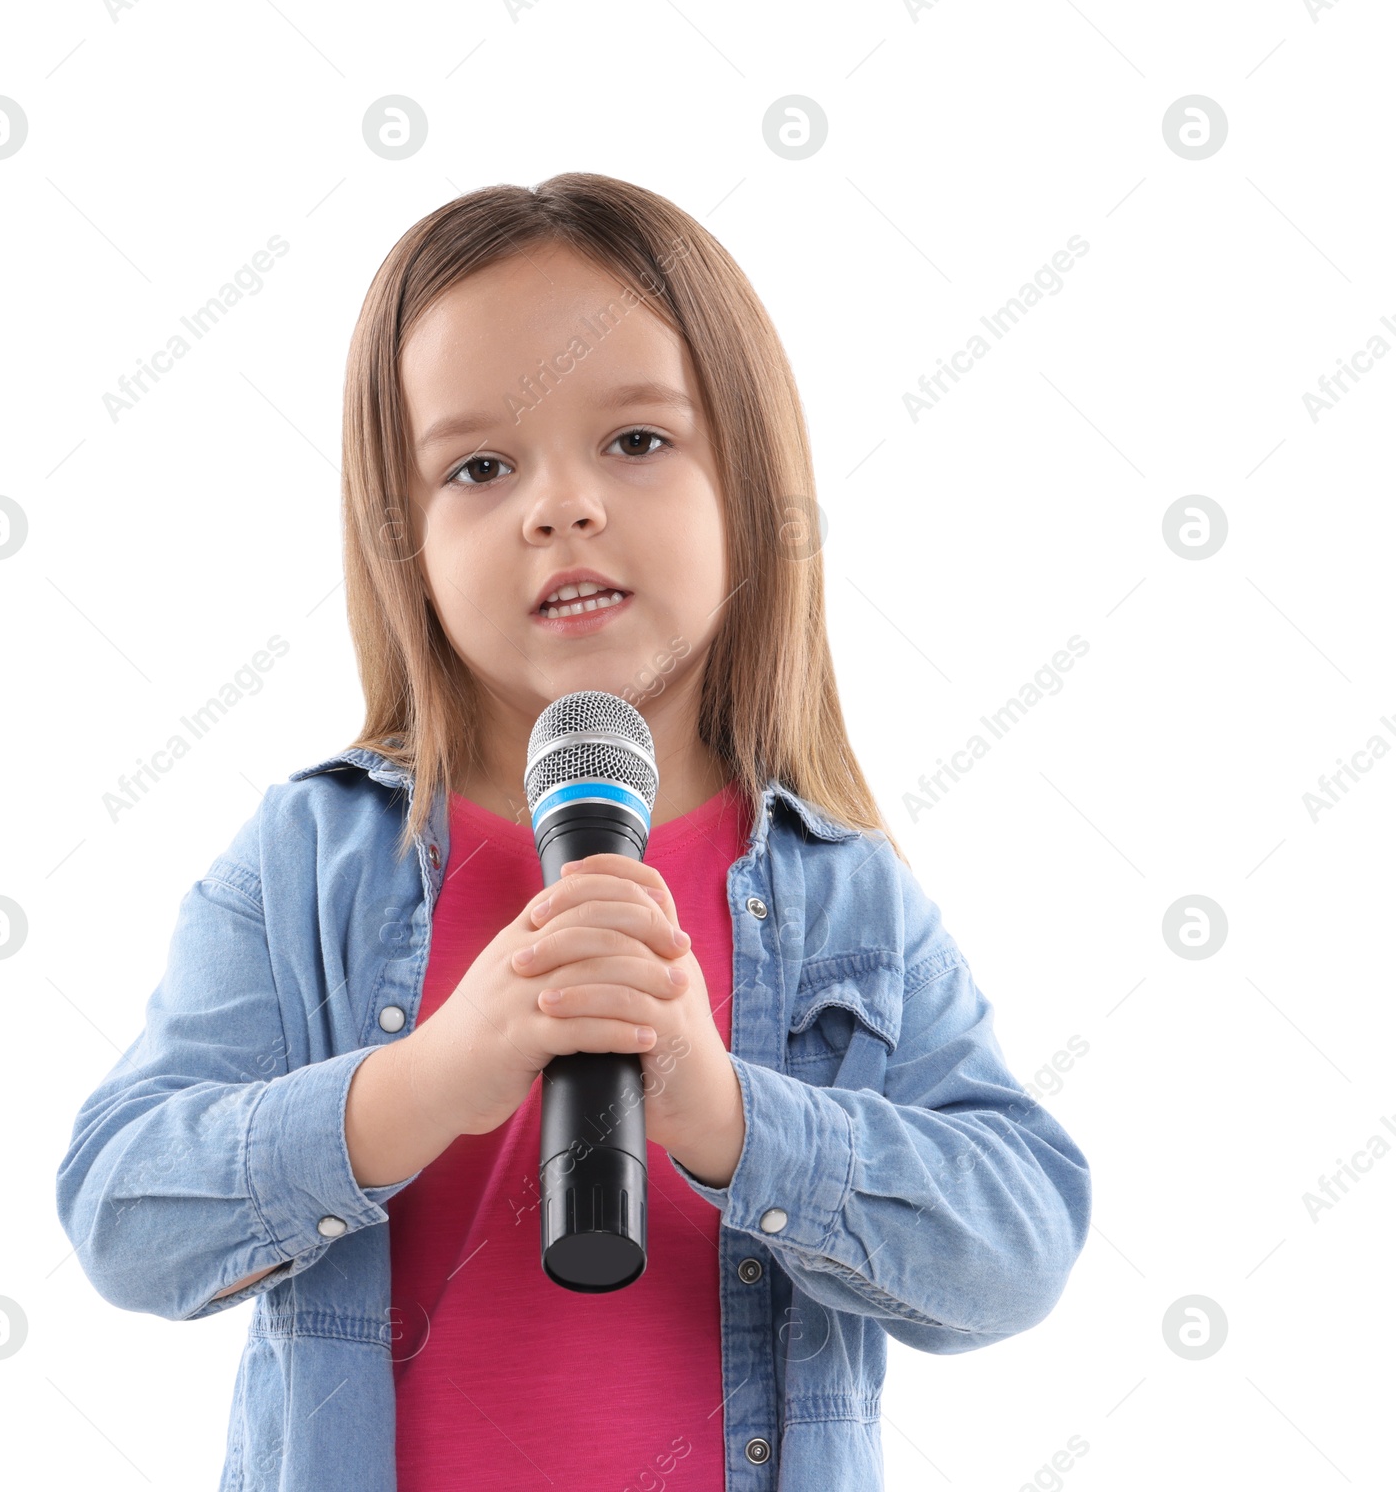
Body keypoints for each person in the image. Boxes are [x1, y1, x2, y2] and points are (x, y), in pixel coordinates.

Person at [55, 172, 1091, 1492]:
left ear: (749, 480)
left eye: (638, 442)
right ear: (404, 541)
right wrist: (427, 1082)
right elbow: (122, 1212)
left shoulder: (844, 896)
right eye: (479, 467)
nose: (561, 506)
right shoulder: (309, 860)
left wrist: (727, 1117)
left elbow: (1020, 1243)